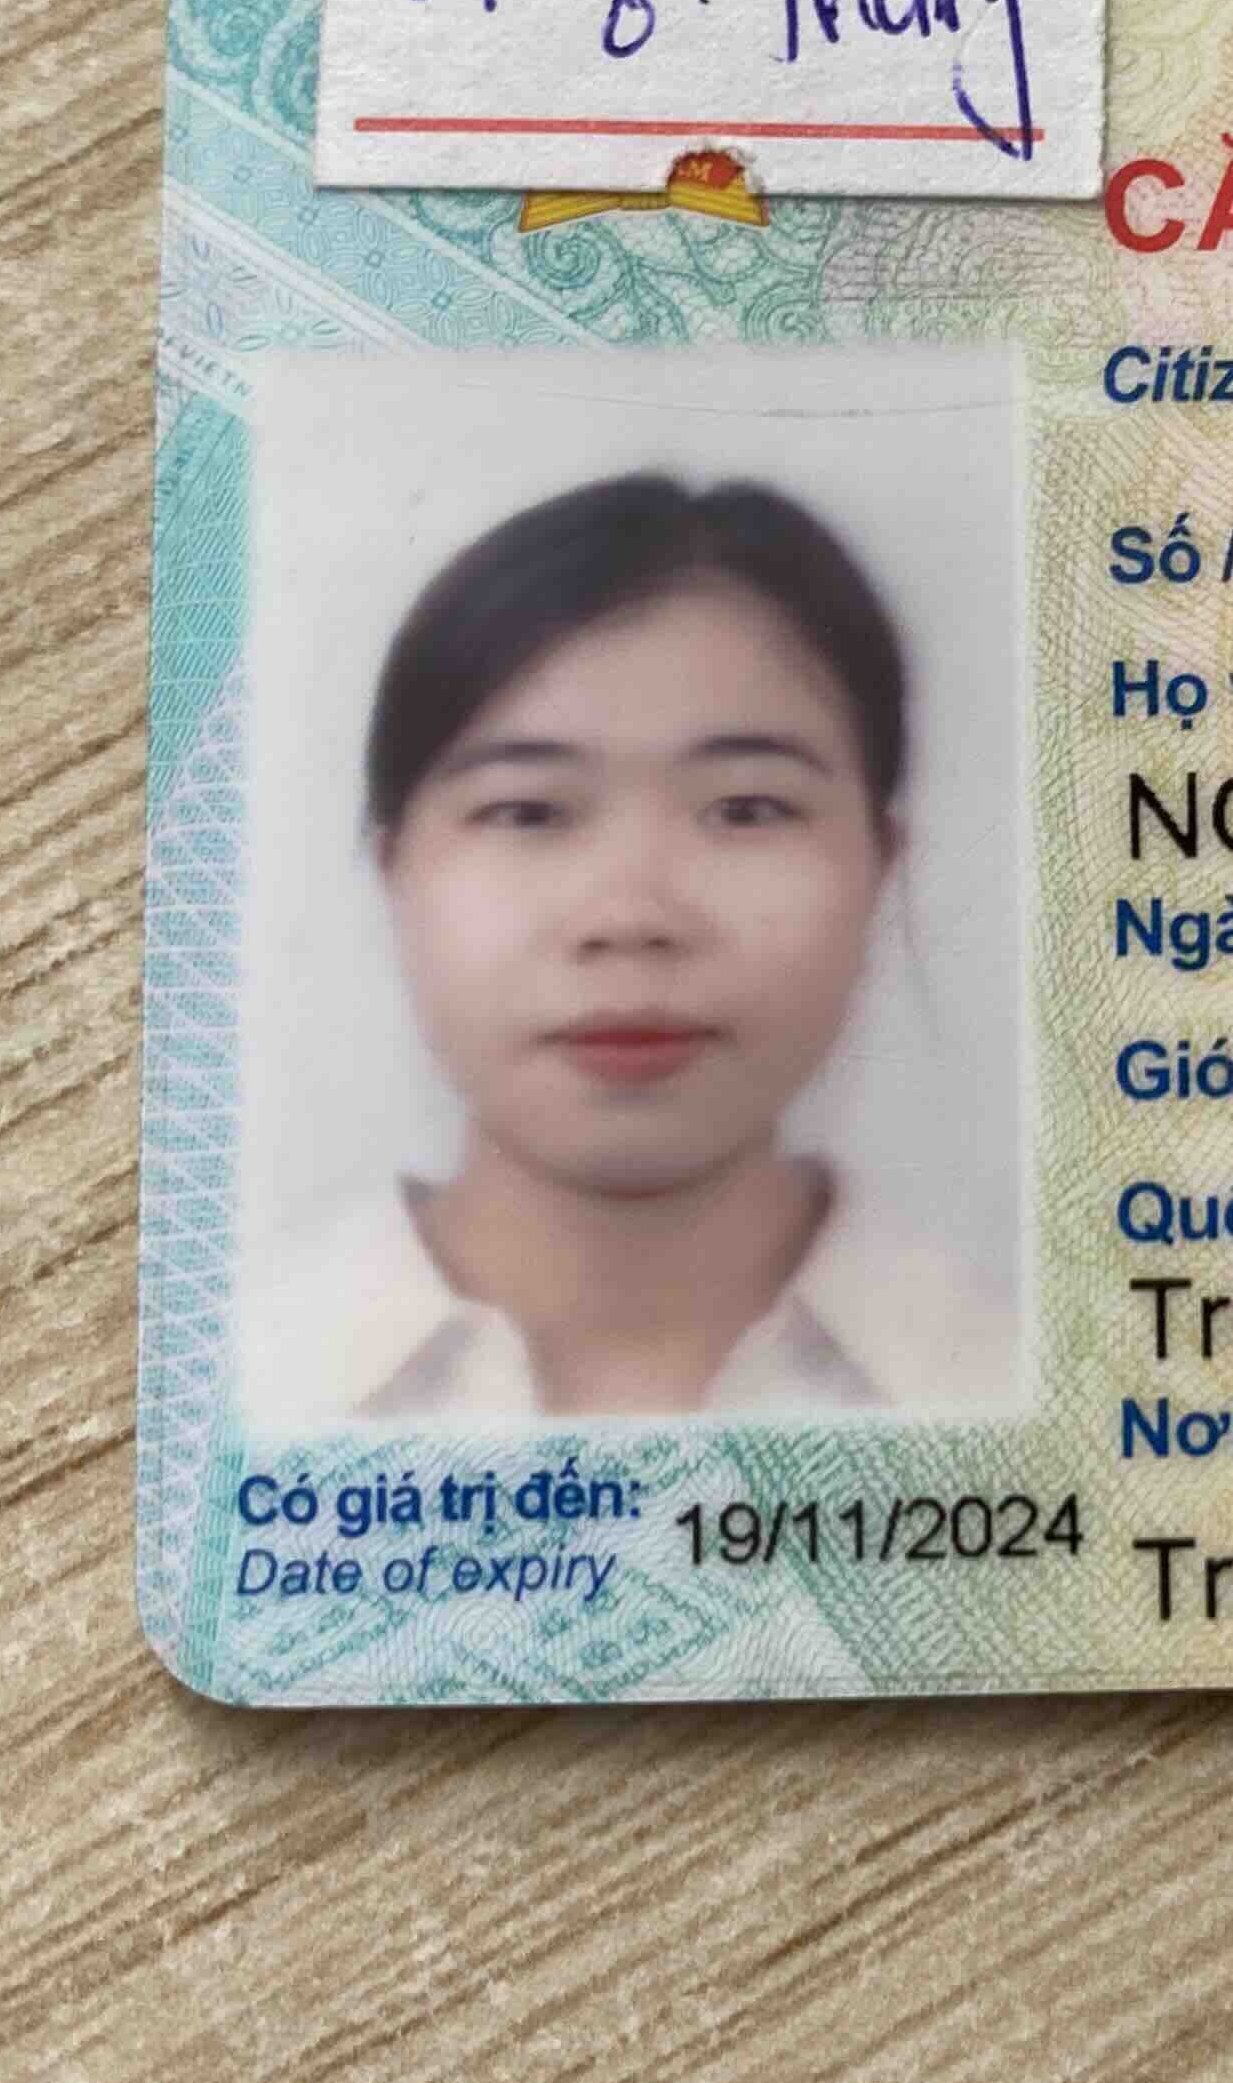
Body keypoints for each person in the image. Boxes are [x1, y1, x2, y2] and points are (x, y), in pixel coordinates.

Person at [274, 470, 993, 1419]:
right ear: (394, 869)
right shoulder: (249, 1385)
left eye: (747, 809)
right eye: (528, 812)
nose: (630, 917)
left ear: (879, 865)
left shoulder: (1008, 1382)